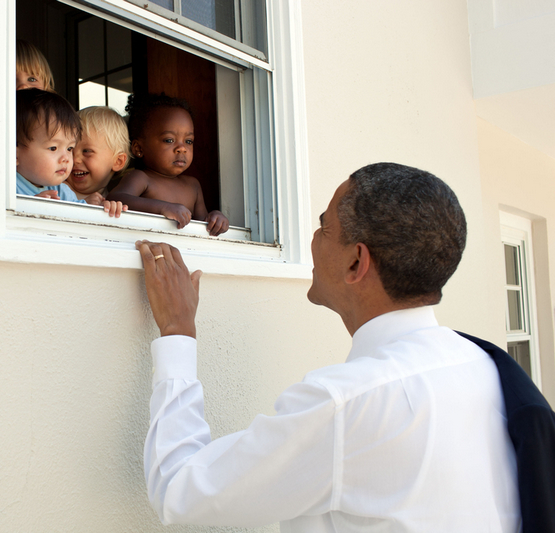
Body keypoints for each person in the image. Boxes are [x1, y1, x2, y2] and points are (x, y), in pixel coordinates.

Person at [135, 163, 521, 531]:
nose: (313, 240)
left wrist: (177, 331)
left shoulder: (346, 404)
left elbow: (178, 489)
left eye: (324, 228)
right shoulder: (483, 365)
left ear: (356, 263)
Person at [107, 94, 229, 236]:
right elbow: (115, 198)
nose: (182, 148)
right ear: (139, 148)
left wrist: (215, 218)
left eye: (188, 141)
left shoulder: (193, 186)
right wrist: (163, 207)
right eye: (169, 140)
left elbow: (203, 224)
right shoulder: (141, 178)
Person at [16, 89, 125, 217]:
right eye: (53, 148)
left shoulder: (62, 192)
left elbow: (81, 221)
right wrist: (29, 208)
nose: (67, 158)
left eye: (69, 149)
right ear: (14, 154)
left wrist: (102, 210)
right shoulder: (5, 187)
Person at [66, 106, 131, 209]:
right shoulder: (54, 189)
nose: (75, 159)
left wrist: (112, 211)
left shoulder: (112, 200)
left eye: (87, 151)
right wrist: (82, 205)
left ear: (117, 161)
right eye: (70, 149)